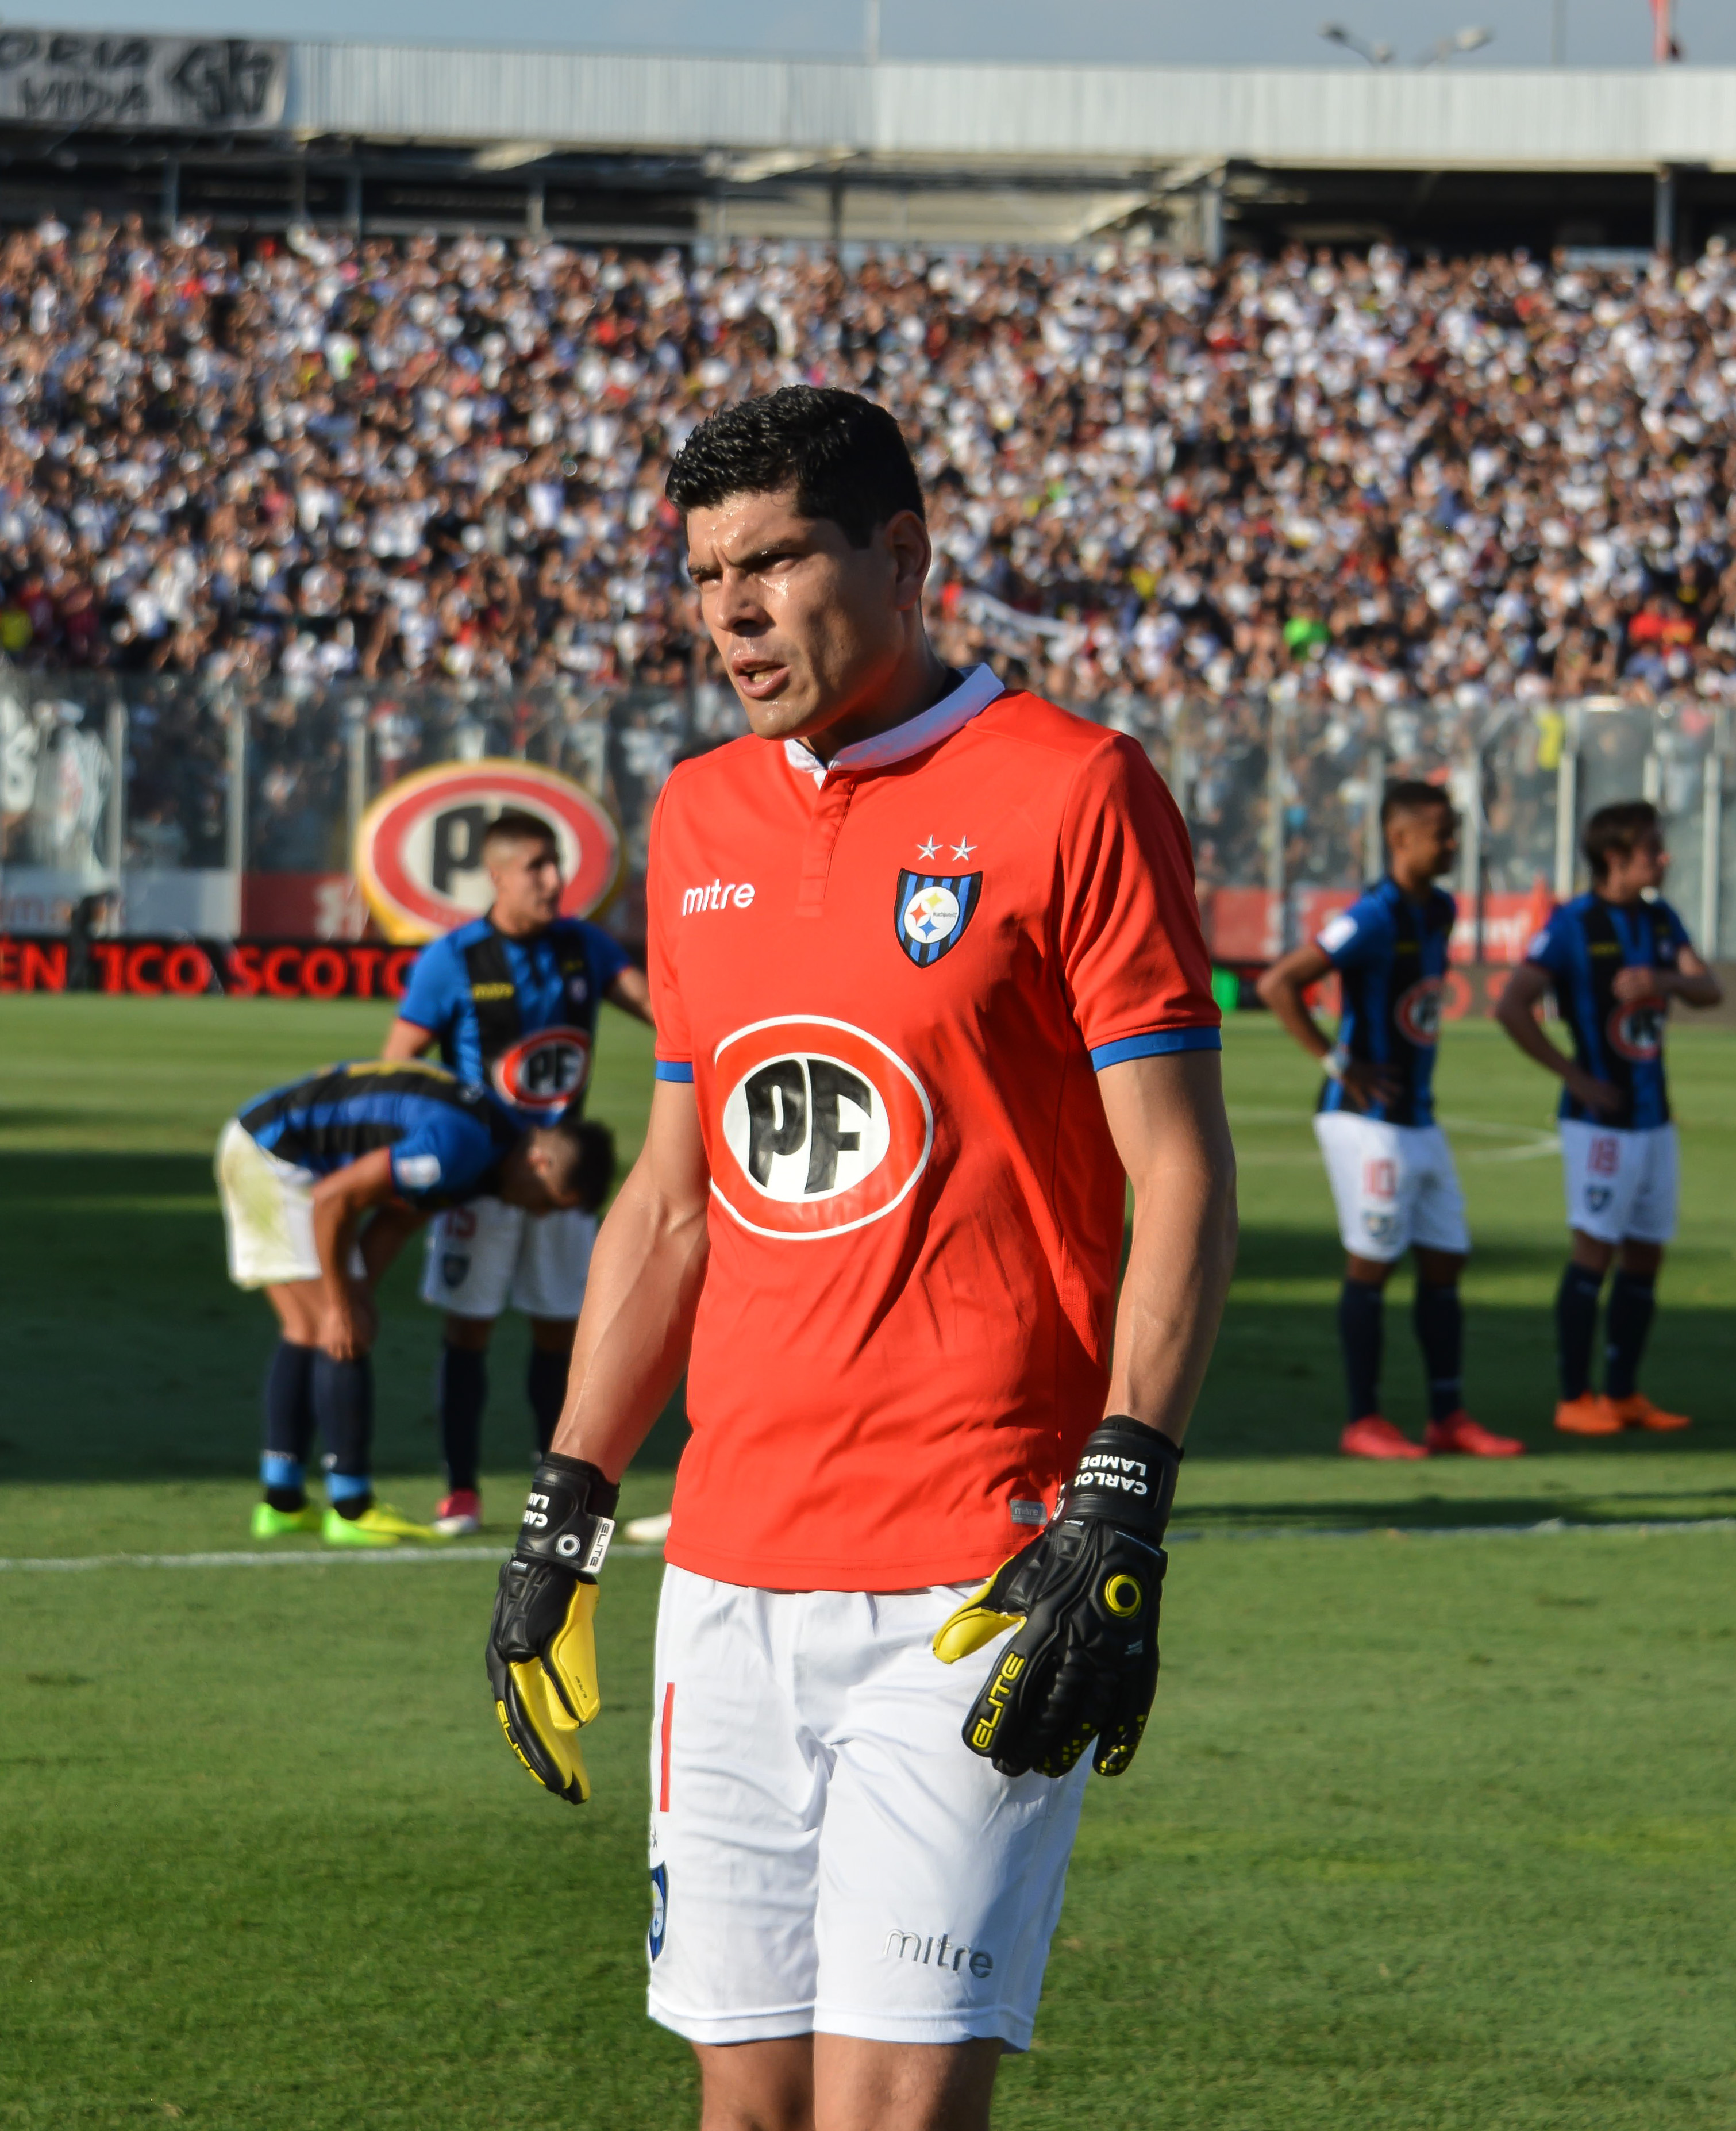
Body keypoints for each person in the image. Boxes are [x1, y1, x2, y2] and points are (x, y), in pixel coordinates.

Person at [479, 386, 1238, 2131]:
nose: (731, 611)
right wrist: (568, 1502)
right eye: (703, 575)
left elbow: (1180, 1174)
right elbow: (674, 1200)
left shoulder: (1077, 791)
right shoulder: (698, 820)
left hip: (976, 1573)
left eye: (776, 561)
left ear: (902, 555)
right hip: (731, 1572)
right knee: (743, 2114)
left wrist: (1122, 1502)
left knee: (888, 2119)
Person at [383, 810, 652, 1536]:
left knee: (561, 1333)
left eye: (556, 865)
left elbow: (664, 1013)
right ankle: (461, 1489)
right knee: (469, 1329)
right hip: (483, 1183)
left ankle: (553, 1480)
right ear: (497, 875)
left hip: (562, 1184)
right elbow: (397, 1065)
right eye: (536, 867)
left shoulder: (584, 947)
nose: (554, 881)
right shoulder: (453, 959)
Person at [214, 1057, 613, 1548]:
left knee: (310, 1328)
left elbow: (398, 1217)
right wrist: (342, 1304)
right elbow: (334, 1199)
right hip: (274, 1157)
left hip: (262, 1143)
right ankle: (352, 1507)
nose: (539, 1213)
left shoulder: (494, 1146)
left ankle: (283, 1502)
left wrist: (356, 1294)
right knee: (338, 1329)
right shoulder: (462, 1149)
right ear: (540, 1163)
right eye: (549, 1200)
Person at [1258, 782, 1523, 1461]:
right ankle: (1364, 1419)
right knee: (1372, 1262)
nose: (1454, 845)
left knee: (1446, 1260)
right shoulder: (1372, 915)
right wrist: (1337, 1061)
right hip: (1364, 1119)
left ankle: (1447, 1415)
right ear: (1400, 838)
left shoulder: (1439, 909)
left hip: (1418, 1118)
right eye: (1443, 833)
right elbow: (1279, 983)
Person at [1495, 801, 1722, 1436]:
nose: (1664, 857)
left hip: (1655, 1118)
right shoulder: (1572, 924)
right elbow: (1513, 1006)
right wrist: (1575, 1077)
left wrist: (1665, 983)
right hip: (1600, 1124)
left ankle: (1623, 1393)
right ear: (1615, 857)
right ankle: (1574, 1398)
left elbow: (1711, 989)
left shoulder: (1659, 919)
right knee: (1594, 1252)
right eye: (1653, 847)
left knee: (1646, 1254)